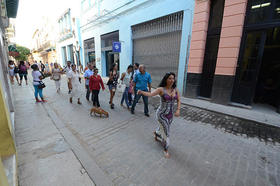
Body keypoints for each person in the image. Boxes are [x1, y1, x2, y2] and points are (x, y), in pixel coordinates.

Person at [137, 72, 181, 158]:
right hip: (161, 115)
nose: (172, 80)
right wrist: (141, 92)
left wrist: (178, 110)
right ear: (166, 79)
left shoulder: (175, 89)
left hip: (170, 115)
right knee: (167, 132)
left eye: (173, 78)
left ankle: (156, 133)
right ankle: (166, 149)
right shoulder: (161, 89)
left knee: (163, 128)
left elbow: (179, 100)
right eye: (170, 78)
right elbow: (150, 94)